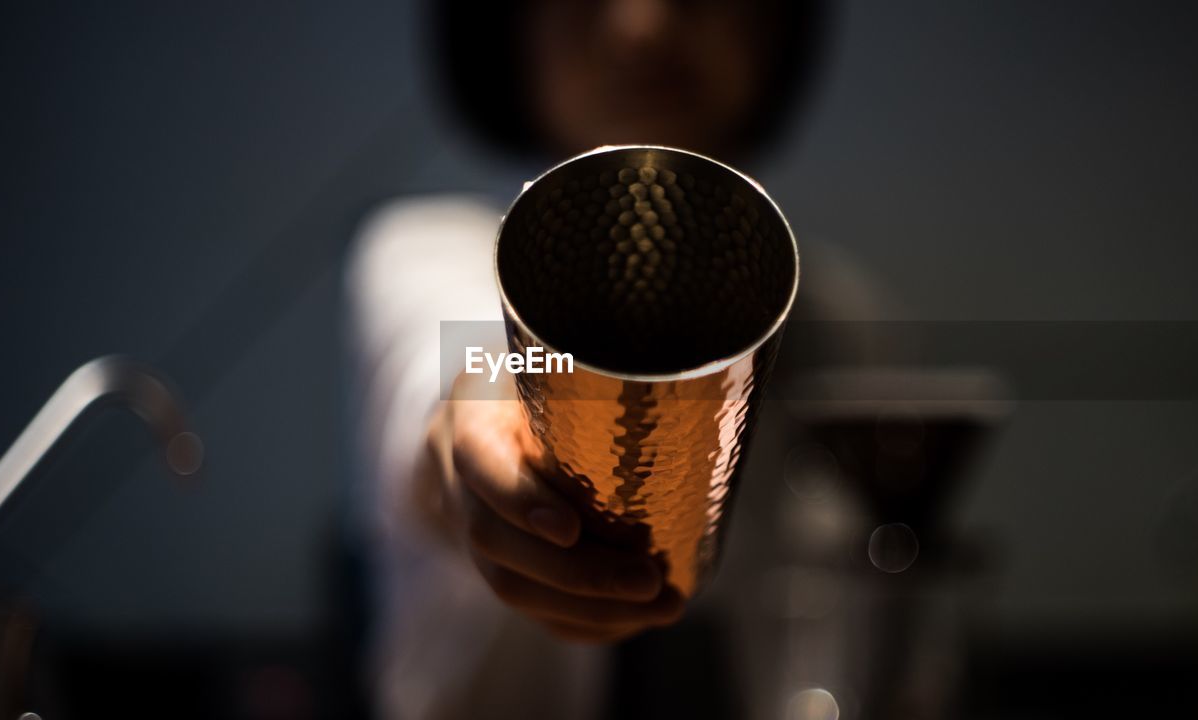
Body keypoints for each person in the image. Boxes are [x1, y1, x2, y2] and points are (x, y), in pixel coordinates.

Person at [345, 0, 886, 717]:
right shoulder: (426, 252)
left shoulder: (841, 324)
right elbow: (454, 374)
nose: (643, 25)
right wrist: (486, 439)